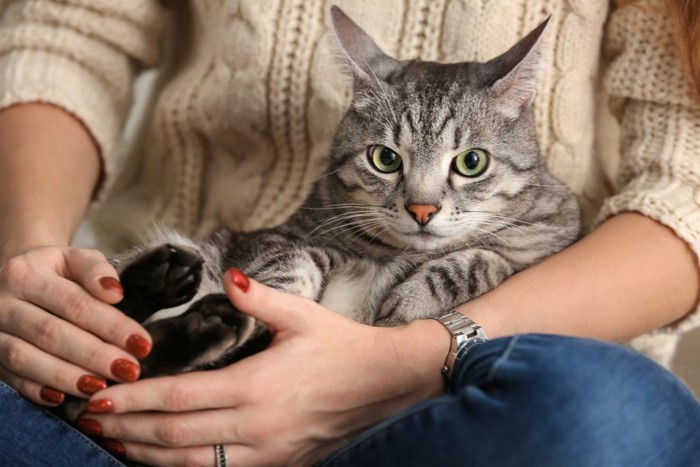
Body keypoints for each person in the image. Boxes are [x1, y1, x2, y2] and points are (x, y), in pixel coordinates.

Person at [0, 0, 699, 465]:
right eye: (388, 161)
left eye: (470, 163)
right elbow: (66, 33)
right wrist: (36, 268)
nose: (423, 206)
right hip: (155, 415)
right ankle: (167, 357)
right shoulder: (337, 217)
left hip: (435, 430)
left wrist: (398, 364)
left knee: (616, 415)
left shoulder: (532, 226)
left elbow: (684, 190)